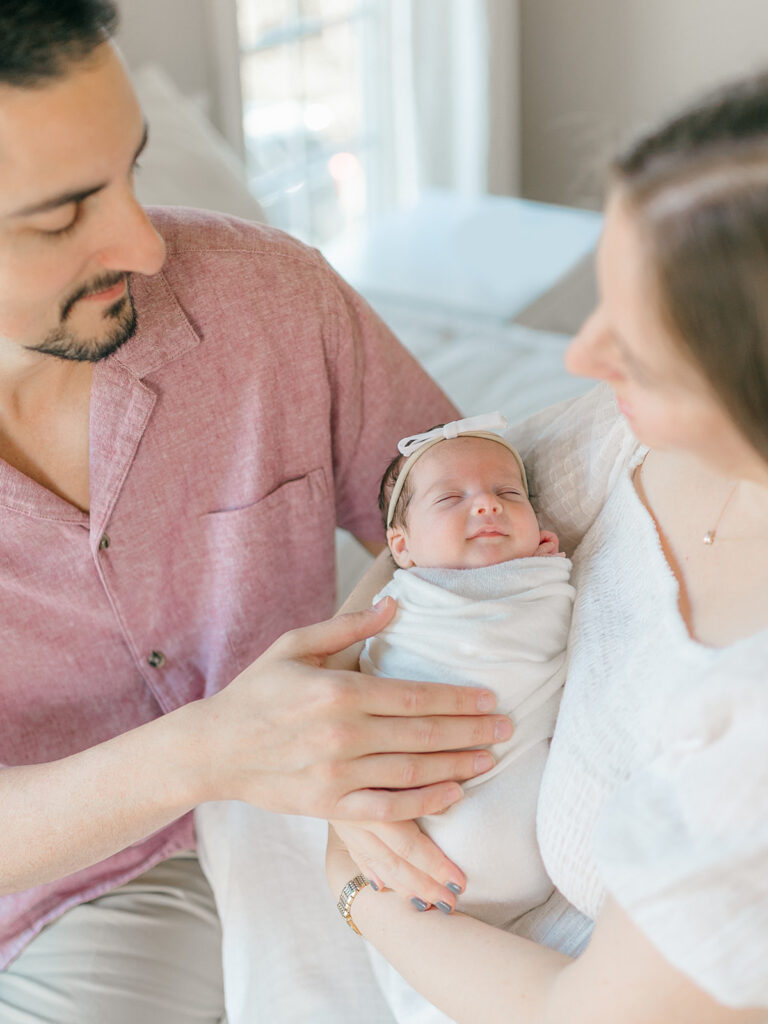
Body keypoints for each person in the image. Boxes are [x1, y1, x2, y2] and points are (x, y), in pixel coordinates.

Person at [0, 4, 514, 1022]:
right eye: (62, 215)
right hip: (81, 892)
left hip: (348, 810)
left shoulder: (266, 296)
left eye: (131, 172)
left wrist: (377, 695)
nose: (144, 245)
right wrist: (215, 748)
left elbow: (471, 512)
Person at [325, 72, 768, 1023]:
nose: (580, 355)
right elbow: (431, 513)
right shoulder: (629, 437)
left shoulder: (748, 730)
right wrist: (353, 737)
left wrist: (350, 881)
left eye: (638, 346)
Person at [359, 413, 574, 1022]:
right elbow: (357, 688)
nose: (486, 506)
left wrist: (541, 568)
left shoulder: (548, 582)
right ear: (401, 548)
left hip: (532, 854)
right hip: (412, 873)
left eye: (509, 494)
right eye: (451, 498)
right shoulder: (400, 607)